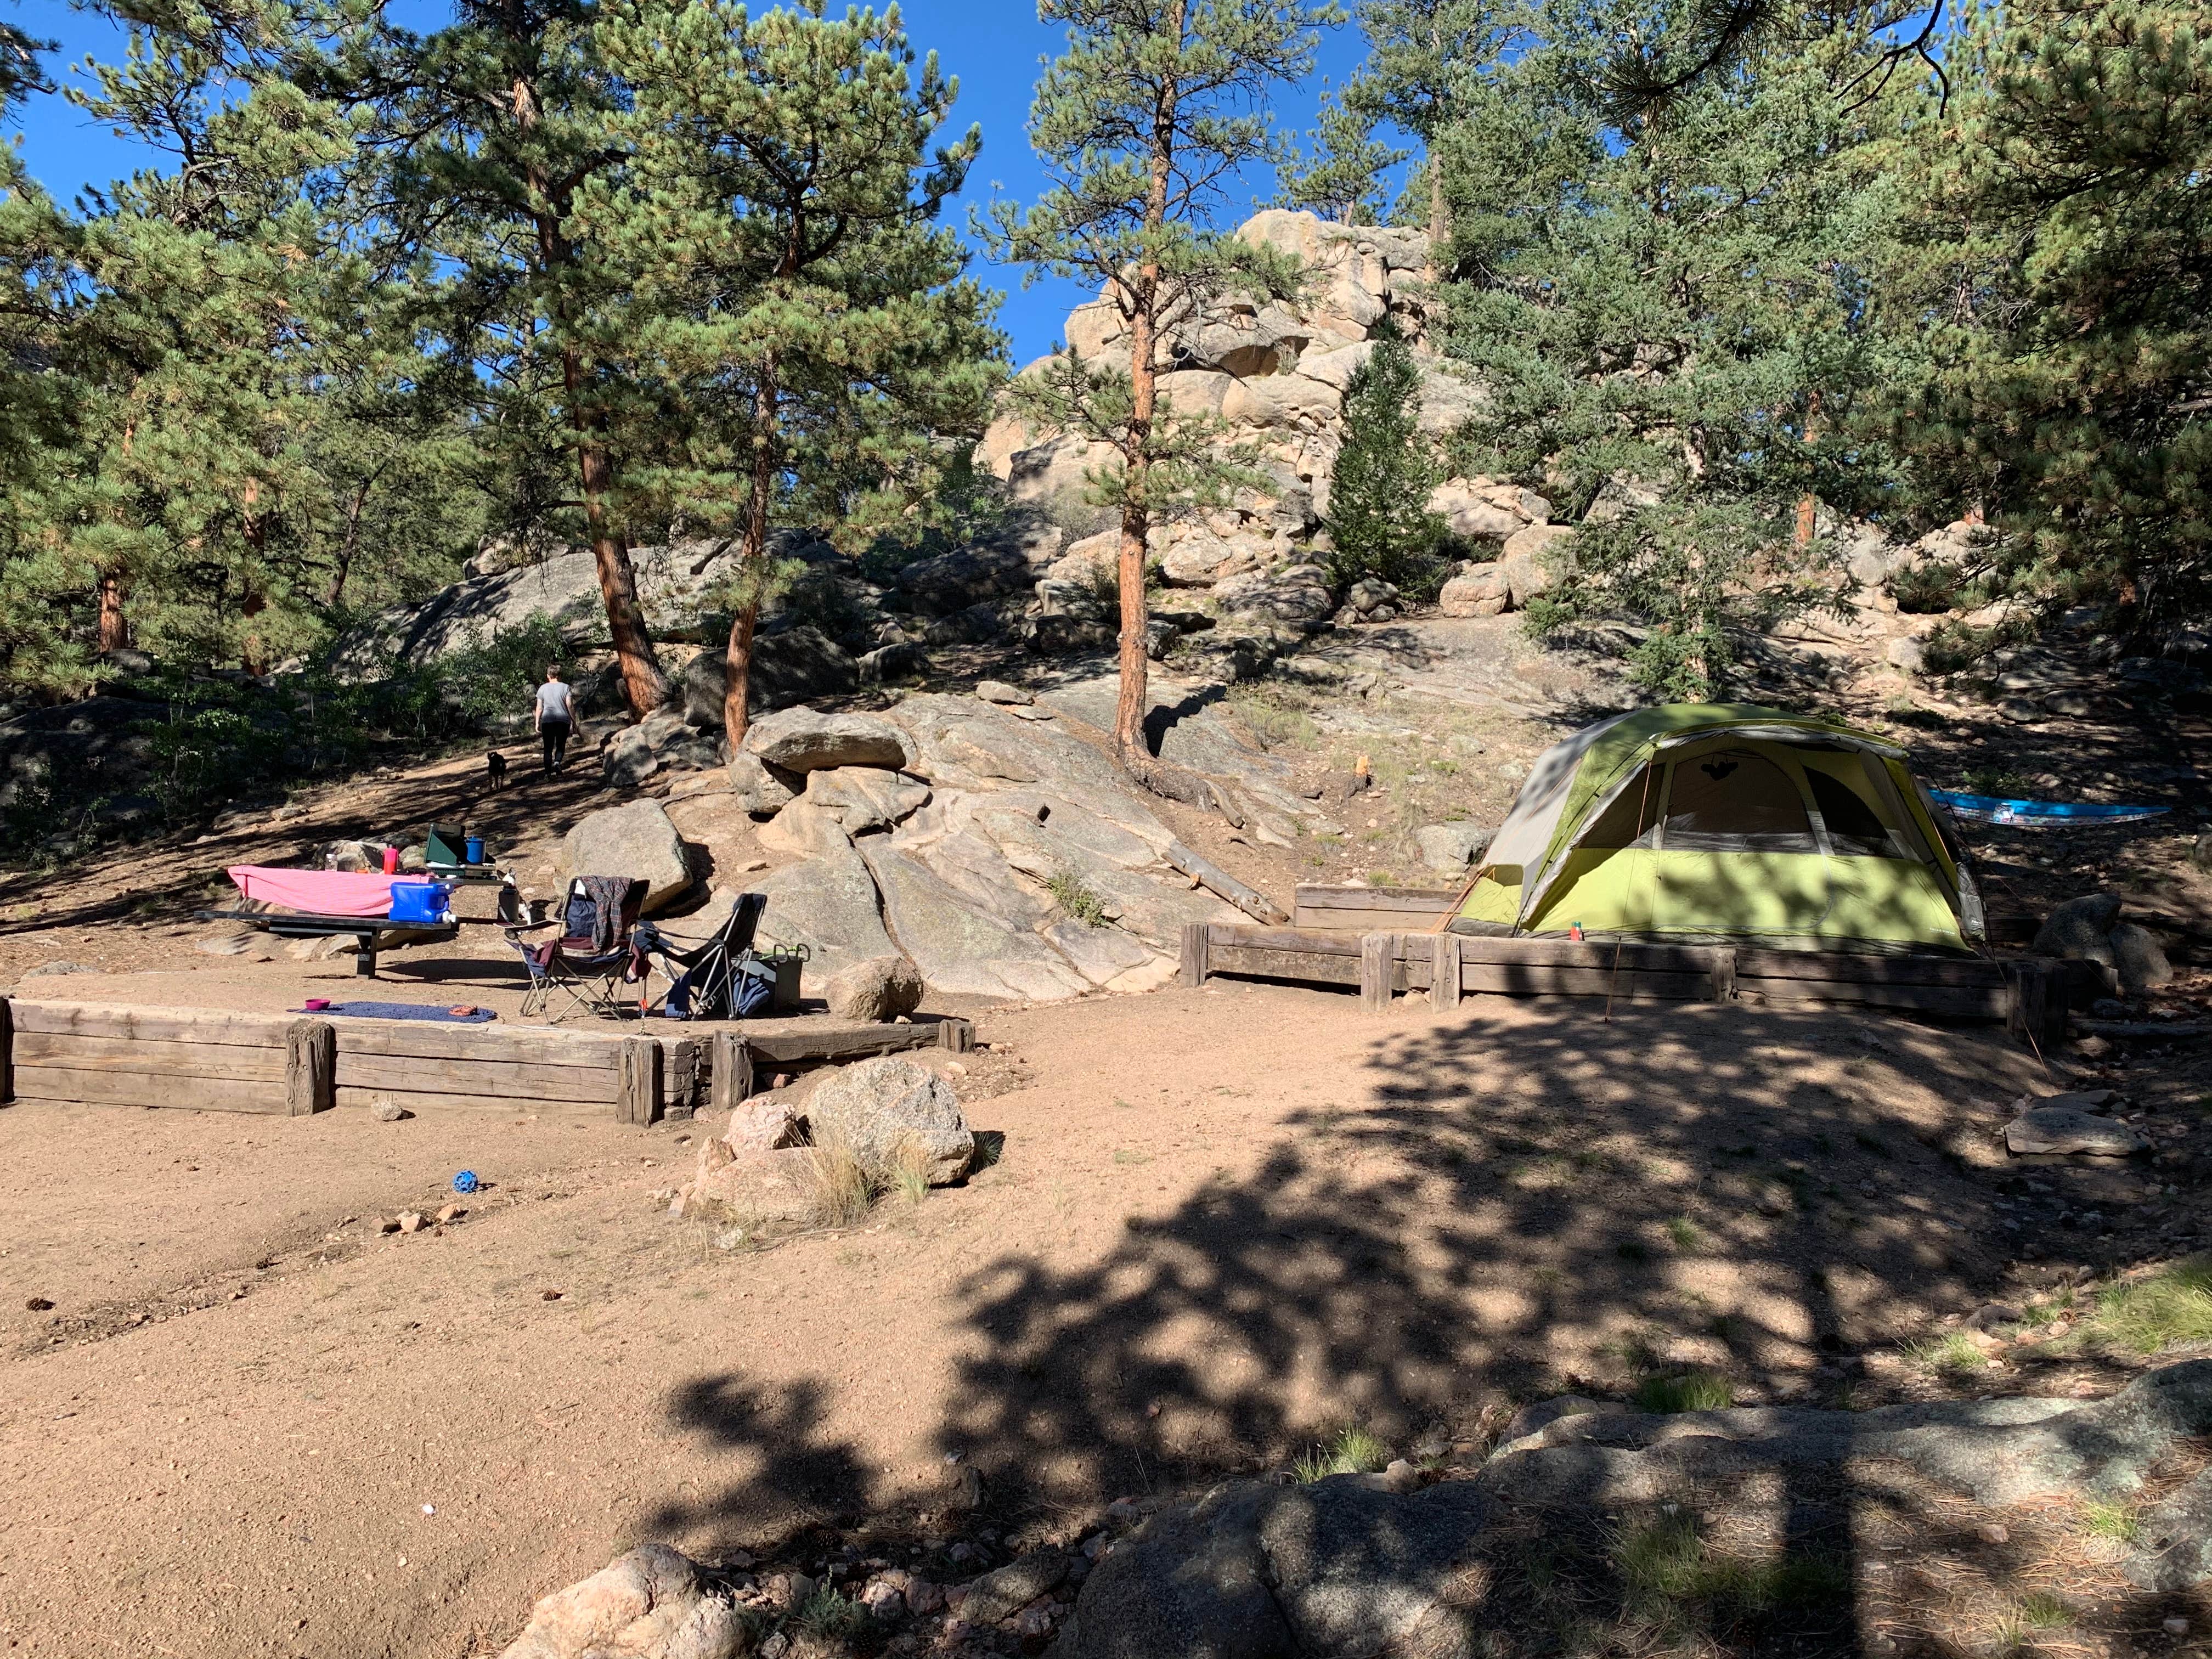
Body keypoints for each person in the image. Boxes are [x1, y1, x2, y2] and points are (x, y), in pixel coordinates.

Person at [534, 664, 579, 776]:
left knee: (548, 748)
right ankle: (558, 762)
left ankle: (548, 773)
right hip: (563, 720)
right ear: (559, 675)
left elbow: (539, 707)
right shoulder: (565, 687)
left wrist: (537, 722)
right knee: (561, 744)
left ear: (548, 676)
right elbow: (569, 705)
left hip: (547, 721)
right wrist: (574, 721)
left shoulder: (543, 688)